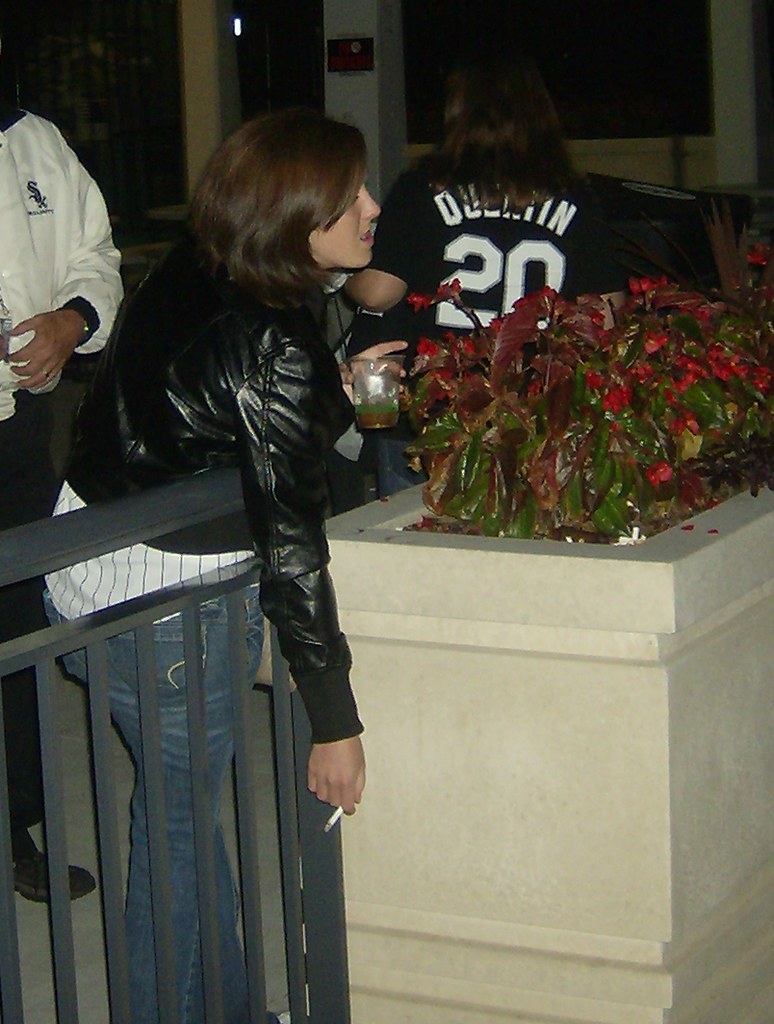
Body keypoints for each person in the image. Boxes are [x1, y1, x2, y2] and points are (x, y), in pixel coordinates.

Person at [45, 108, 394, 1024]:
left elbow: (212, 404)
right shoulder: (275, 336)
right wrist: (334, 719)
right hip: (169, 609)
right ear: (291, 218)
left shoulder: (206, 265)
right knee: (177, 841)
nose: (373, 207)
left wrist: (331, 388)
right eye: (348, 196)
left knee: (188, 828)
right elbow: (291, 542)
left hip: (99, 565)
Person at [346, 53, 629, 496]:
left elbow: (379, 294)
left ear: (457, 114)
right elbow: (608, 314)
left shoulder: (422, 188)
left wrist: (342, 274)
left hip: (432, 413)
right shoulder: (575, 195)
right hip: (534, 412)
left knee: (413, 543)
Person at [0, 82, 123, 900]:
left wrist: (68, 322)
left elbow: (96, 256)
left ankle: (25, 834)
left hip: (15, 437)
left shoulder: (35, 140)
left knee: (18, 632)